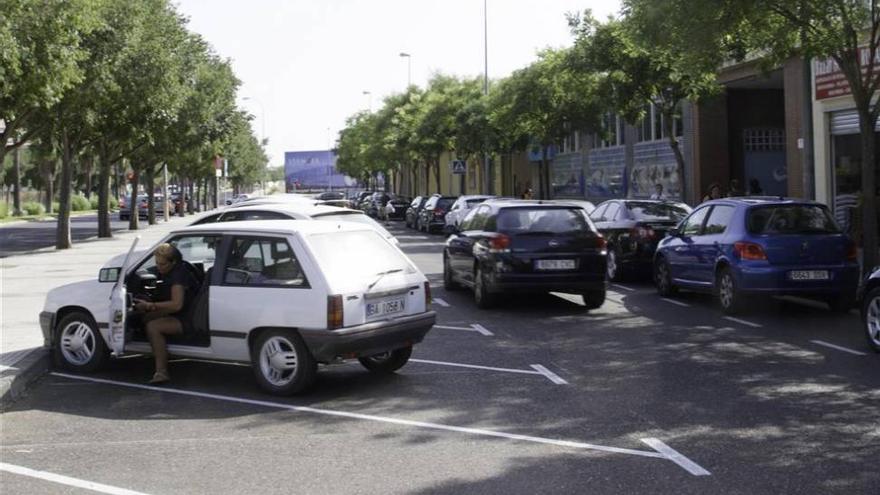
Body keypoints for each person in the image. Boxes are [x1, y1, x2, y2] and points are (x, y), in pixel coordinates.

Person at [134, 243, 198, 384]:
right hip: (182, 314)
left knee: (153, 326)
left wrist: (150, 305)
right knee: (146, 318)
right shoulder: (176, 270)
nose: (158, 267)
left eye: (162, 264)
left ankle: (161, 372)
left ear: (173, 262)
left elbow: (176, 305)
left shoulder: (178, 276)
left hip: (187, 318)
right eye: (156, 263)